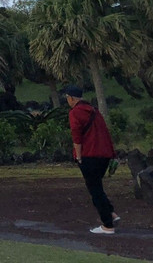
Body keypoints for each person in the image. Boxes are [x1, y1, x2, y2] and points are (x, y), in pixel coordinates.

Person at [61, 84, 119, 235]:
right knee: (97, 187)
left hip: (89, 155)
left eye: (67, 98)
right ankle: (111, 213)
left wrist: (78, 156)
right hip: (104, 155)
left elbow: (76, 136)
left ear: (72, 98)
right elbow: (104, 132)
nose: (67, 100)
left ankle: (107, 225)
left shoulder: (75, 112)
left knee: (95, 191)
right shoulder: (93, 110)